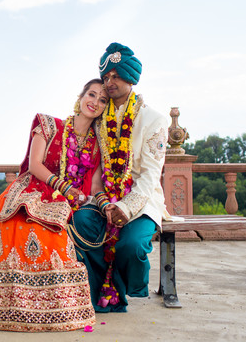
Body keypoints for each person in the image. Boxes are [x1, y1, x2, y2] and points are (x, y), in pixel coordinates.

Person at [0, 79, 108, 332]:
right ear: (80, 97)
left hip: (63, 201)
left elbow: (96, 184)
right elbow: (35, 164)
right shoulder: (49, 125)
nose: (95, 102)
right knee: (15, 228)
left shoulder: (96, 145)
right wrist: (64, 186)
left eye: (102, 100)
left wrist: (101, 202)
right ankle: (1, 305)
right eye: (91, 94)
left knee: (54, 239)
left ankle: (52, 308)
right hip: (31, 188)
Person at [69, 42, 170, 312]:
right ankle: (94, 296)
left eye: (115, 75)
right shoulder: (99, 117)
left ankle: (128, 287)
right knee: (80, 223)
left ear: (130, 77)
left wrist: (125, 207)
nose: (109, 82)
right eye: (106, 77)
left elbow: (150, 176)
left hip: (141, 200)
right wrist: (104, 202)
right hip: (103, 198)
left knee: (131, 245)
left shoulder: (155, 120)